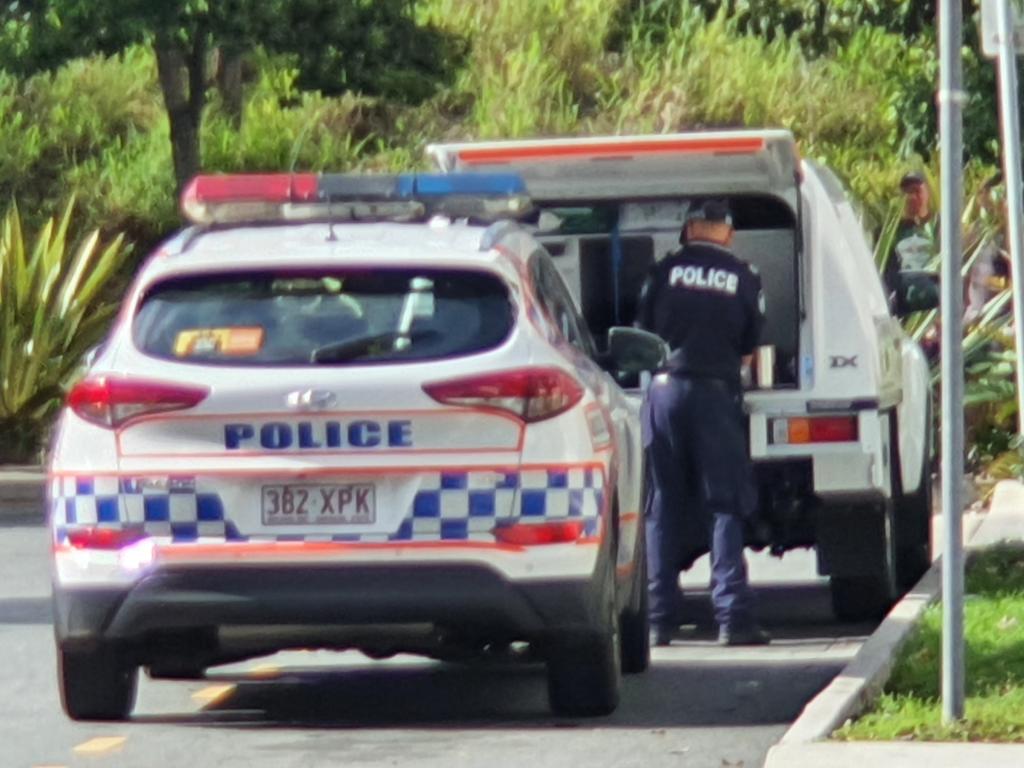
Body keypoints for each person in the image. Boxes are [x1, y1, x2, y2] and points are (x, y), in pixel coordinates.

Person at [635, 198, 769, 647]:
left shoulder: (662, 272)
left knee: (661, 506)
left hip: (664, 391)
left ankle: (656, 620)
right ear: (727, 232)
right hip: (714, 393)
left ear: (689, 227)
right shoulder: (744, 277)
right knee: (724, 505)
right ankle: (732, 617)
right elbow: (750, 351)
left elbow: (642, 333)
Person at [883, 170, 936, 299]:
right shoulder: (891, 233)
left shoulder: (940, 227)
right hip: (904, 305)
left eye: (917, 191)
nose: (912, 197)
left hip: (936, 304)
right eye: (907, 192)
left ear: (927, 193)